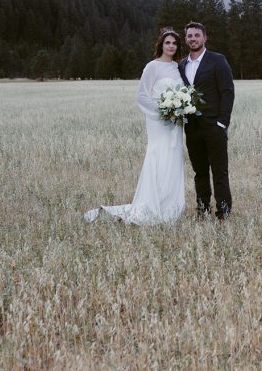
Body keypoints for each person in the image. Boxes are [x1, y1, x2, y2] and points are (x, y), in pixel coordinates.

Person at [85, 29, 187, 224]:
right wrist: (163, 111)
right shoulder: (152, 67)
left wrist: (178, 111)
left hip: (176, 123)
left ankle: (170, 206)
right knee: (158, 156)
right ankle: (152, 204)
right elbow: (141, 95)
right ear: (161, 45)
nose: (171, 46)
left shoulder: (177, 67)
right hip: (158, 121)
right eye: (168, 42)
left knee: (173, 159)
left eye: (174, 43)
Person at [179, 21, 235, 220]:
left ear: (204, 38)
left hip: (214, 127)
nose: (193, 39)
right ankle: (202, 210)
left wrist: (222, 123)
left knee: (220, 172)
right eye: (189, 36)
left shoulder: (217, 60)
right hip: (192, 129)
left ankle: (224, 213)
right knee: (200, 172)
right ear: (186, 39)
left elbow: (227, 92)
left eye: (196, 35)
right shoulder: (182, 64)